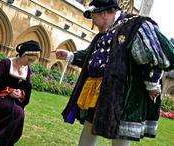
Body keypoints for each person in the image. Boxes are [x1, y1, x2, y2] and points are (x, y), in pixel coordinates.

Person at [56, 0, 173, 146]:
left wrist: (152, 84)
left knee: (120, 136)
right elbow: (91, 56)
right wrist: (69, 56)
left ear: (104, 13)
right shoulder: (104, 33)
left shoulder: (134, 27)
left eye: (94, 17)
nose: (93, 22)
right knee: (89, 127)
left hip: (123, 96)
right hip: (97, 92)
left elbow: (153, 58)